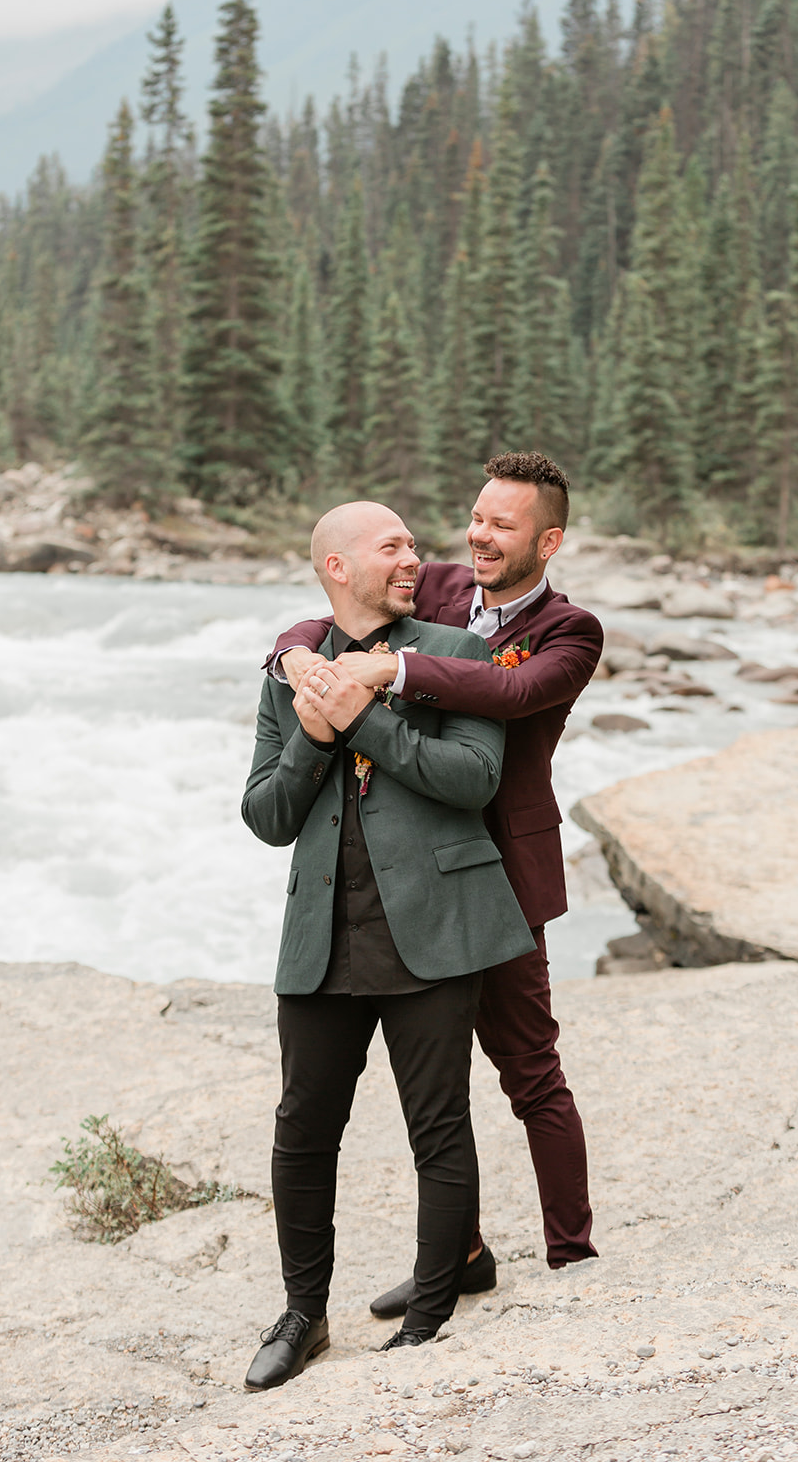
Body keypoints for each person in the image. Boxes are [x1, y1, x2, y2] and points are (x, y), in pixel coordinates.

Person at [270, 451, 605, 1316]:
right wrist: (290, 660)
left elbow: (509, 686)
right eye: (477, 518)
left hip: (501, 858)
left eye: (502, 525)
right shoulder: (443, 587)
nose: (478, 536)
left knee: (527, 1065)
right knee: (433, 1088)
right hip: (408, 861)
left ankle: (573, 1256)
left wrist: (395, 671)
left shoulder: (572, 633)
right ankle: (459, 1256)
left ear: (549, 540)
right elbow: (324, 622)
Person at [241, 500, 534, 1392]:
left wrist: (364, 715)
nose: (415, 557)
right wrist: (315, 732)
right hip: (324, 937)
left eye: (413, 544)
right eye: (392, 546)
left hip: (435, 929)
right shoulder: (287, 673)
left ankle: (432, 1309)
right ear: (337, 567)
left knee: (437, 1124)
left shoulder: (453, 654)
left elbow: (472, 778)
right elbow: (266, 815)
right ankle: (303, 1314)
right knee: (301, 1131)